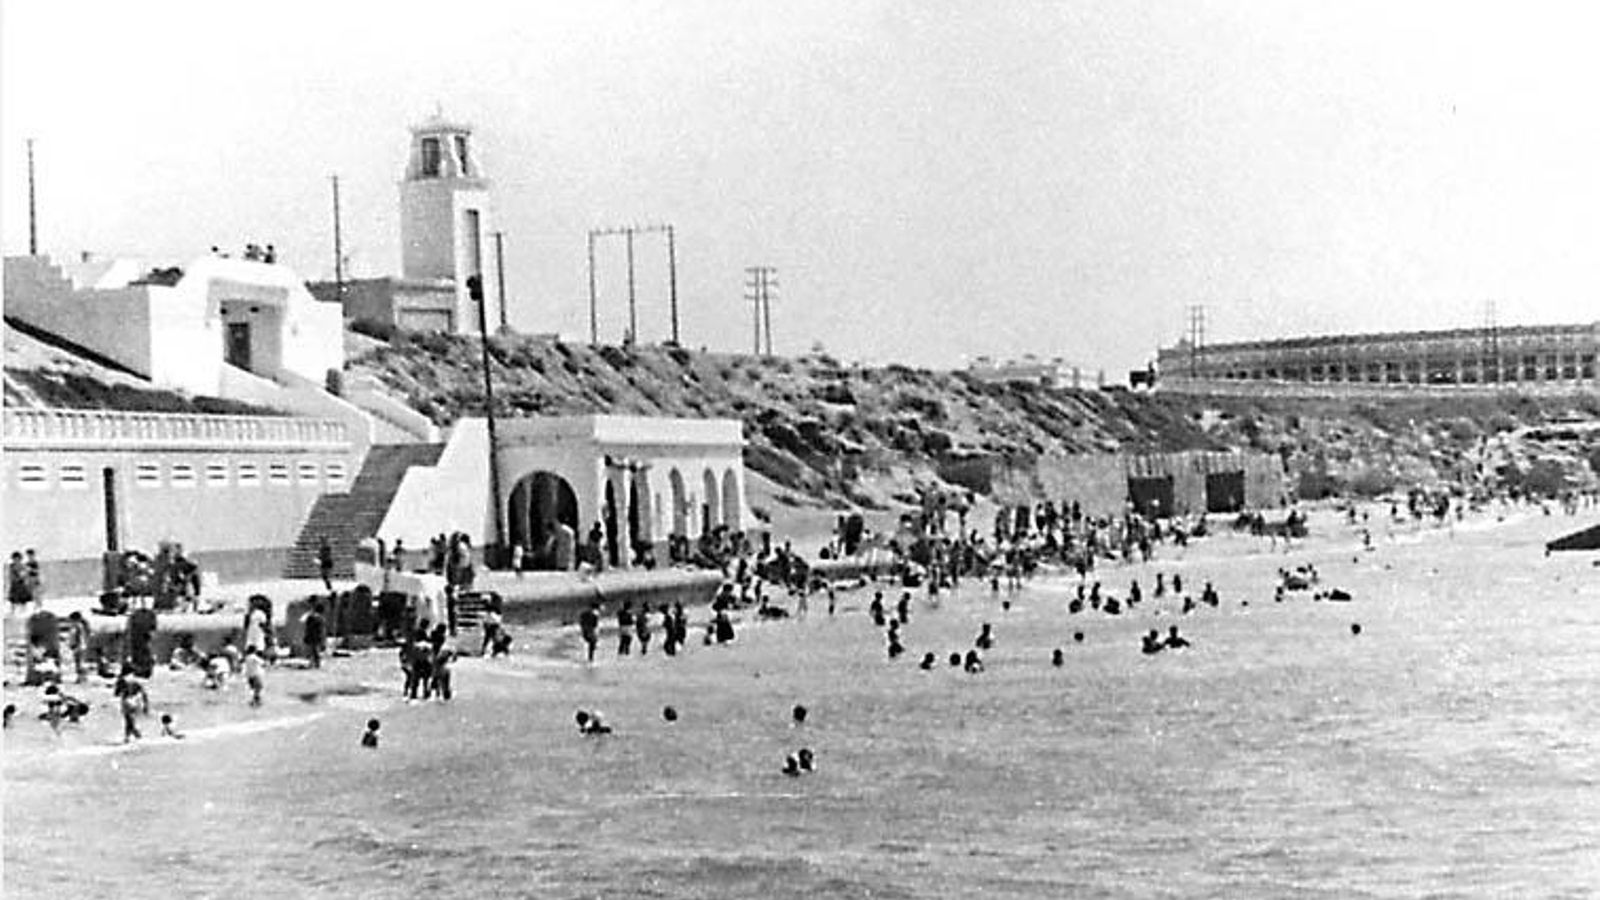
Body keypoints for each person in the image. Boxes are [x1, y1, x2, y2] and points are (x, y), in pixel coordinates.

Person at [302, 602, 327, 669]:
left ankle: (313, 663)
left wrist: (306, 636)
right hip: (316, 637)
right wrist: (322, 640)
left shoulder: (311, 617)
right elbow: (322, 630)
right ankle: (315, 664)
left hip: (312, 637)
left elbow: (307, 627)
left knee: (313, 651)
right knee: (315, 651)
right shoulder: (320, 619)